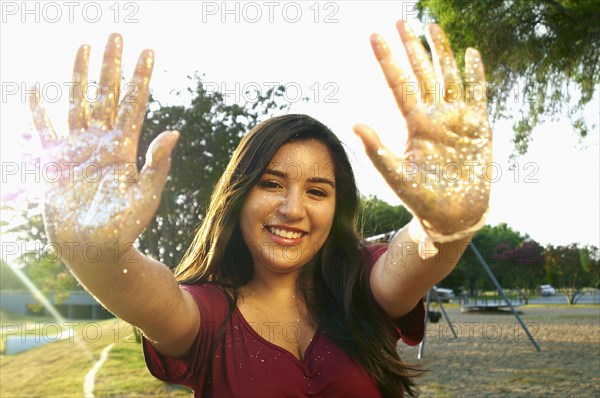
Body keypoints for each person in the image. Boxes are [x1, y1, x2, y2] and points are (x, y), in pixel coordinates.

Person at [29, 20, 491, 397]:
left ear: (337, 208)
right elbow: (134, 287)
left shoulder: (364, 282)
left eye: (317, 191)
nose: (293, 209)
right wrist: (86, 246)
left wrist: (445, 226)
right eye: (271, 184)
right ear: (239, 193)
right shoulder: (205, 315)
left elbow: (418, 255)